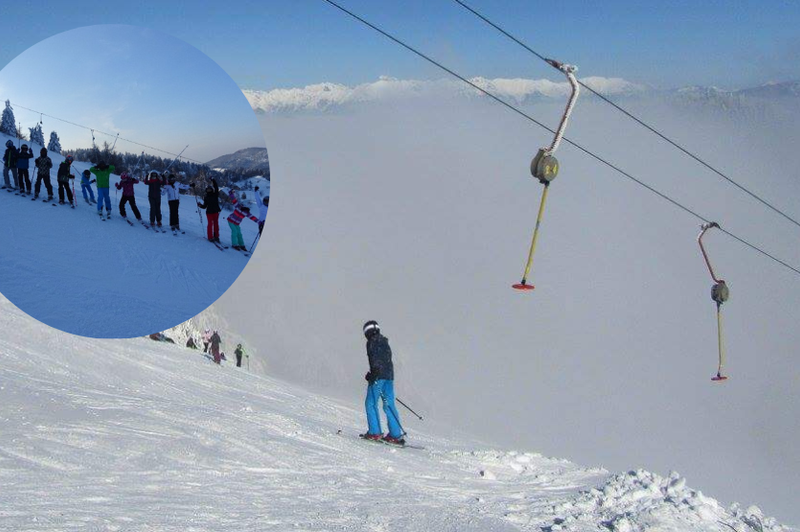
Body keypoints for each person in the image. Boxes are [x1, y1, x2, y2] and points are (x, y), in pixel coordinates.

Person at [360, 320, 404, 445]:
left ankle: (375, 432)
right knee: (389, 404)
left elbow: (376, 359)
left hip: (378, 378)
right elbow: (386, 360)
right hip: (389, 377)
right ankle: (395, 434)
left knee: (371, 403)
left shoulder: (372, 342)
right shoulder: (384, 342)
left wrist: (373, 374)